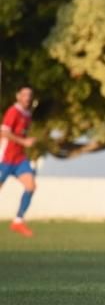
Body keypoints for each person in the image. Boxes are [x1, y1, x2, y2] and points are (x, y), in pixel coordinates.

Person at [1, 86, 37, 237]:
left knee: (31, 185)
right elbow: (4, 132)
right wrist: (24, 142)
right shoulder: (13, 111)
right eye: (24, 95)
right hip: (5, 158)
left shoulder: (27, 114)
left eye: (29, 95)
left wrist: (27, 143)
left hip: (19, 159)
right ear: (18, 96)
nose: (27, 98)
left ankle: (18, 221)